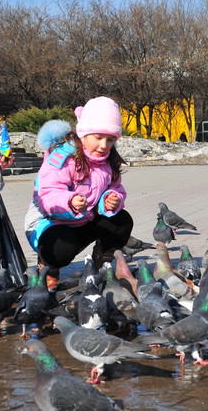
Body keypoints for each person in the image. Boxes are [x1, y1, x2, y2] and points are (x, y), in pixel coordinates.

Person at [25, 96, 133, 290]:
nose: (104, 145)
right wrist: (70, 201)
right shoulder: (62, 157)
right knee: (61, 251)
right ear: (83, 133)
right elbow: (47, 194)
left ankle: (98, 267)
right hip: (51, 222)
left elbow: (115, 187)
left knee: (122, 221)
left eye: (110, 140)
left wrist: (111, 199)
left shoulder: (109, 160)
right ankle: (48, 265)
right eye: (98, 137)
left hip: (85, 218)